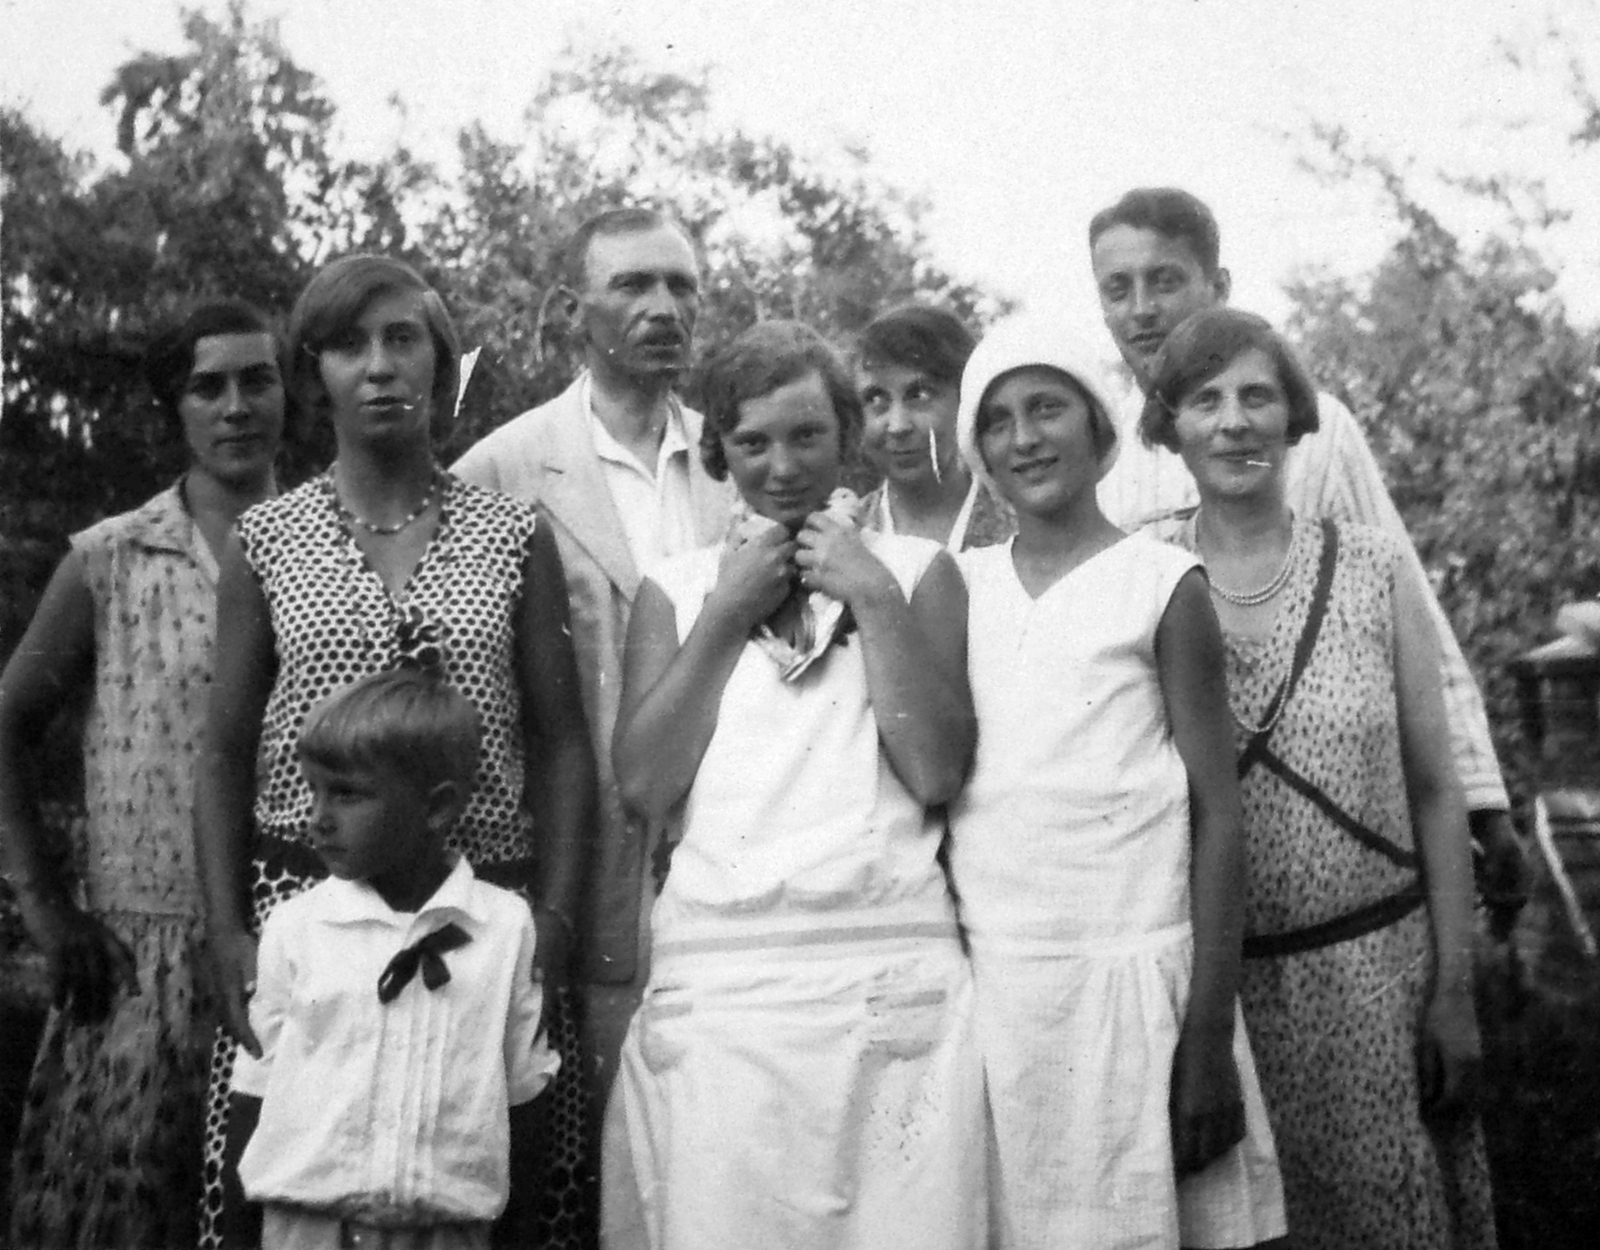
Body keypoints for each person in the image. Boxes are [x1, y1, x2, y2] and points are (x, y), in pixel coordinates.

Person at [193, 255, 597, 1250]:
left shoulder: (514, 536)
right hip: (305, 912)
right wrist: (228, 929)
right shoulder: (268, 539)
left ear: (440, 362)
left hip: (483, 914)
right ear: (311, 372)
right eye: (347, 344)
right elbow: (223, 750)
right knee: (290, 1188)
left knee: (491, 1188)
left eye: (402, 338)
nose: (378, 366)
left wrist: (553, 911)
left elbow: (561, 745)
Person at [602, 321, 984, 1250]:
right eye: (752, 442)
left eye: (807, 436)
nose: (781, 466)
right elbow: (648, 785)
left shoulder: (916, 573)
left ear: (845, 437)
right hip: (727, 995)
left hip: (885, 978)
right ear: (720, 452)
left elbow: (934, 768)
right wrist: (728, 610)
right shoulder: (679, 587)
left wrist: (872, 594)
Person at [1142, 308, 1495, 1247]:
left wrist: (1452, 989)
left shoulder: (1373, 567)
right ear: (1168, 426)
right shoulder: (1137, 573)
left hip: (1378, 984)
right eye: (1205, 400)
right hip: (1217, 1005)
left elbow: (1434, 787)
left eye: (1259, 395)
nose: (1234, 422)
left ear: (1297, 419)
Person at [948, 317, 1286, 1250]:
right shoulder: (957, 587)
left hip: (1142, 988)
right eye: (1001, 419)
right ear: (977, 450)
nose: (1027, 437)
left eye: (1049, 407)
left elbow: (1219, 814)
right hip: (1005, 997)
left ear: (1100, 429)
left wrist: (1208, 1036)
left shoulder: (1163, 582)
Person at [1087, 187, 1522, 902]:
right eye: (1117, 289)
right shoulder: (1102, 462)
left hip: (1327, 817)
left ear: (1217, 286)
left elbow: (1406, 610)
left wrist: (1484, 798)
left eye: (1165, 280)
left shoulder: (1314, 434)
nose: (1141, 309)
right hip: (1176, 835)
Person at [0, 300, 285, 1249]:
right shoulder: (111, 558)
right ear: (175, 407)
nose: (237, 406)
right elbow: (7, 721)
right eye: (210, 386)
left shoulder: (331, 547)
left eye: (258, 380)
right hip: (145, 970)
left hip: (300, 949)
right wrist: (45, 905)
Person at [453, 208, 734, 1119]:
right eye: (632, 285)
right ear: (576, 311)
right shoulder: (500, 470)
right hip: (575, 869)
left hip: (725, 857)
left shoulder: (740, 465)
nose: (663, 308)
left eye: (681, 285)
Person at [230, 669, 560, 1250]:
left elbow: (524, 1105)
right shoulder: (294, 929)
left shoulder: (504, 929)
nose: (319, 817)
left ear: (437, 809)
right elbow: (253, 1096)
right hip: (308, 1230)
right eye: (315, 791)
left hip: (449, 1233)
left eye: (348, 794)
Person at [853, 303, 1013, 550]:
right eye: (876, 399)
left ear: (964, 399)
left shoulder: (1021, 527)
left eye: (919, 395)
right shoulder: (846, 537)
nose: (898, 426)